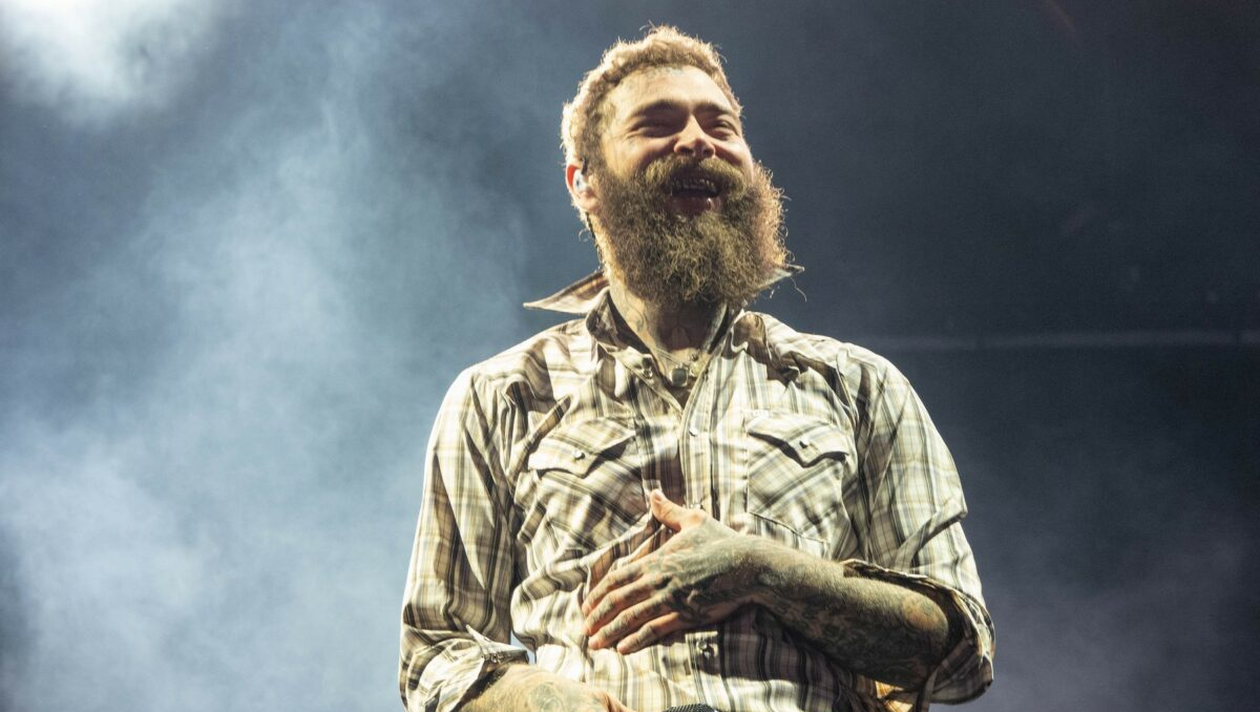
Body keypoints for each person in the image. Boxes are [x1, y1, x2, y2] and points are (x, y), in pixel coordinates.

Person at [399, 26, 994, 712]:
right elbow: (434, 654)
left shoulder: (860, 387)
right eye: (657, 124)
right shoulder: (501, 396)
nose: (696, 140)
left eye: (721, 125)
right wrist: (538, 697)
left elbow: (959, 653)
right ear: (584, 183)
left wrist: (759, 569)